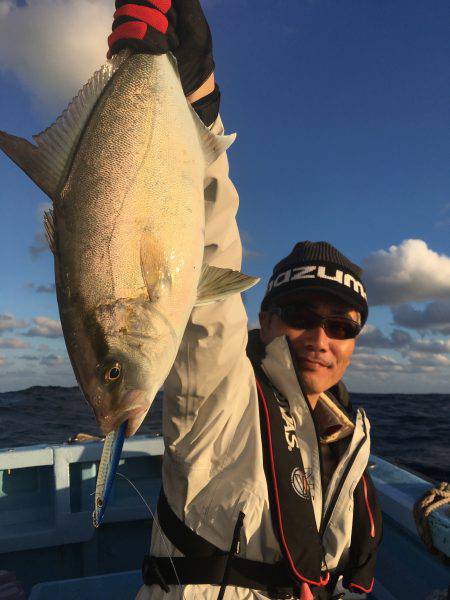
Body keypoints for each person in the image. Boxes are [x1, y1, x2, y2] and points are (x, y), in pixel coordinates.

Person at [107, 1, 383, 598]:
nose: (320, 337)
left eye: (342, 325)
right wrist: (201, 107)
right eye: (301, 316)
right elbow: (205, 259)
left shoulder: (348, 433)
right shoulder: (218, 392)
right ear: (263, 317)